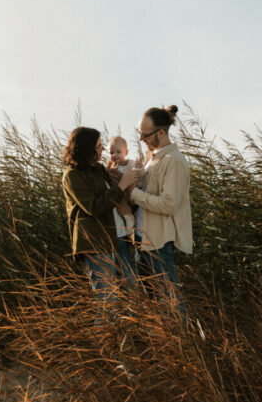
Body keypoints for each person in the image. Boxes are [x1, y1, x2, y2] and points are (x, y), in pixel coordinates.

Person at [119, 105, 192, 304]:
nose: (141, 139)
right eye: (140, 134)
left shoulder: (174, 161)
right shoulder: (151, 159)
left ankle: (181, 326)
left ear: (161, 132)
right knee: (153, 303)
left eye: (146, 135)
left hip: (158, 242)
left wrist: (134, 193)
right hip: (141, 239)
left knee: (170, 302)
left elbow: (169, 204)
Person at [61, 127, 140, 299]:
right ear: (86, 149)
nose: (103, 149)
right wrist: (122, 185)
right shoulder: (72, 176)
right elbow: (93, 207)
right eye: (98, 146)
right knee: (107, 298)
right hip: (97, 244)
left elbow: (116, 195)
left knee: (132, 292)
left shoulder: (98, 168)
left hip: (120, 238)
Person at [105, 135, 141, 285]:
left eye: (118, 152)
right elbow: (111, 180)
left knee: (128, 217)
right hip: (118, 200)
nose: (115, 155)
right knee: (124, 214)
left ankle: (130, 234)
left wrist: (139, 169)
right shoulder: (110, 168)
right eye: (111, 152)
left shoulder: (131, 164)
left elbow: (137, 178)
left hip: (128, 196)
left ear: (126, 152)